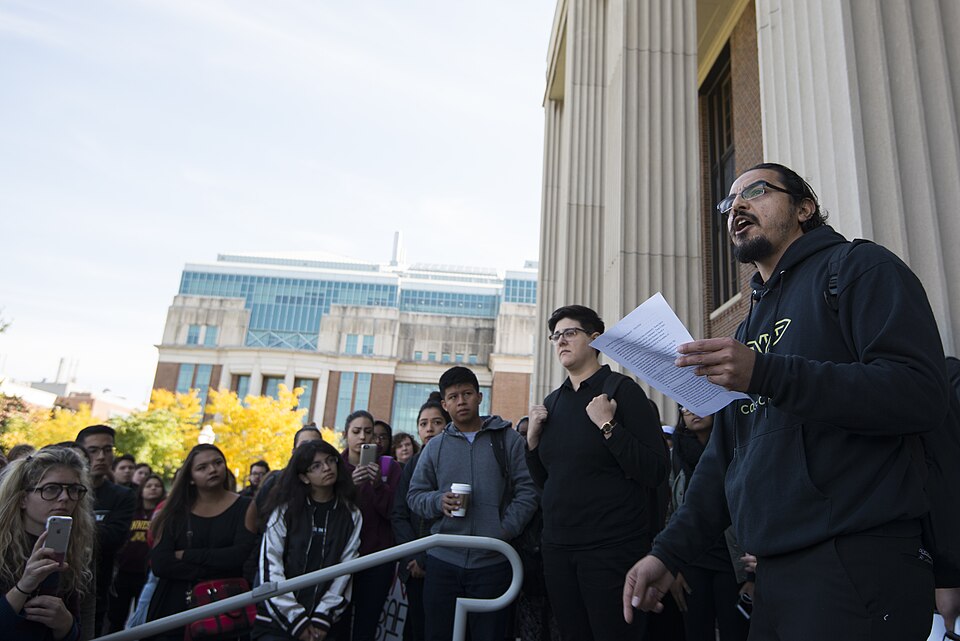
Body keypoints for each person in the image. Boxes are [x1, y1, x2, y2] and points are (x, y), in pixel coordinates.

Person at [622, 162, 949, 641]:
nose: (737, 207)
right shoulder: (748, 328)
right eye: (729, 202)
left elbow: (918, 392)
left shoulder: (858, 268)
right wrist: (667, 553)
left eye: (755, 192)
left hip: (856, 565)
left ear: (804, 208)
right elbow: (724, 462)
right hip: (773, 577)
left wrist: (766, 374)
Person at [527, 305, 668, 641]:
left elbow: (656, 470)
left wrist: (608, 425)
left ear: (595, 338)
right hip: (559, 549)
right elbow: (548, 481)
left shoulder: (622, 391)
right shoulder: (552, 403)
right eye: (556, 336)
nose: (561, 341)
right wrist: (531, 443)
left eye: (570, 333)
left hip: (611, 548)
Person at [408, 366, 538, 641]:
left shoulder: (508, 439)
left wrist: (503, 530)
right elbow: (415, 496)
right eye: (453, 397)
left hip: (493, 560)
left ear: (480, 397)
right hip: (443, 559)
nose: (461, 401)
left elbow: (528, 491)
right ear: (444, 404)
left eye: (467, 394)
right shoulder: (434, 447)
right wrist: (437, 501)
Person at [254, 439, 362, 641]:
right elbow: (271, 567)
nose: (327, 468)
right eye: (316, 466)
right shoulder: (284, 510)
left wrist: (323, 617)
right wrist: (297, 620)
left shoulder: (351, 514)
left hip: (324, 623)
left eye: (331, 461)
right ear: (304, 477)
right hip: (276, 621)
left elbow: (345, 569)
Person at [146, 444, 257, 641]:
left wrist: (186, 555)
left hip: (224, 606)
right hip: (175, 604)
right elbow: (161, 564)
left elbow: (239, 557)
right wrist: (212, 568)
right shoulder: (174, 512)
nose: (212, 470)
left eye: (217, 463)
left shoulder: (246, 506)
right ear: (190, 477)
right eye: (202, 467)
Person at [668, 407, 749, 641]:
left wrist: (751, 577)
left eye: (698, 405)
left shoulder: (733, 443)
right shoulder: (678, 453)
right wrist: (672, 563)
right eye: (685, 408)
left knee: (735, 630)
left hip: (731, 561)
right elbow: (671, 508)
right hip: (693, 560)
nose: (693, 412)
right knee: (696, 630)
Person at [0, 446, 96, 641]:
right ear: (23, 499)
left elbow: (82, 630)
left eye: (74, 490)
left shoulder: (76, 547)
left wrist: (65, 624)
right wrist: (24, 586)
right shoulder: (3, 547)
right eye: (51, 489)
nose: (65, 498)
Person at [391, 394, 451, 641]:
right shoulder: (412, 464)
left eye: (436, 422)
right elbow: (399, 514)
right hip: (414, 568)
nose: (429, 429)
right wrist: (415, 557)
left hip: (448, 562)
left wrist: (428, 558)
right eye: (424, 424)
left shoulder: (456, 459)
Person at [340, 410, 401, 641]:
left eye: (369, 432)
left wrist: (377, 486)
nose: (363, 437)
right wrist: (350, 490)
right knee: (338, 624)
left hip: (377, 559)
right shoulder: (334, 466)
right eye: (356, 432)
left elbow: (394, 512)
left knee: (367, 625)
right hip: (342, 560)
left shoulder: (388, 467)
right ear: (346, 434)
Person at [75, 424, 135, 634]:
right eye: (93, 450)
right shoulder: (63, 491)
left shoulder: (123, 496)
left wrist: (72, 529)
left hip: (97, 588)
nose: (101, 457)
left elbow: (113, 539)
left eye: (108, 450)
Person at [107, 474, 166, 633]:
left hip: (147, 573)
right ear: (141, 491)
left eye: (157, 485)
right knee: (116, 617)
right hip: (124, 571)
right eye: (149, 485)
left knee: (143, 617)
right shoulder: (131, 511)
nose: (153, 488)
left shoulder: (164, 513)